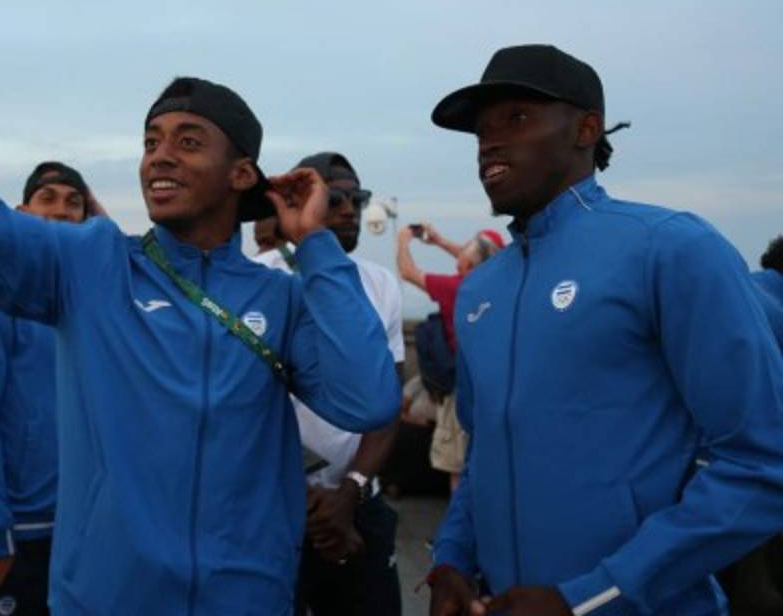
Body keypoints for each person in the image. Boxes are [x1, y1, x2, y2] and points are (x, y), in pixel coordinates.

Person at [0, 0, 399, 614]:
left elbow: (367, 399)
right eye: (151, 142)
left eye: (189, 142)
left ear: (241, 172)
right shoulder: (93, 262)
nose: (161, 156)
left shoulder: (281, 298)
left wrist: (316, 247)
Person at [425, 44, 783, 616]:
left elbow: (763, 464)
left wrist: (591, 597)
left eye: (516, 118)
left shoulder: (672, 247)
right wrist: (450, 562)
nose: (489, 142)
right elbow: (484, 455)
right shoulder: (481, 289)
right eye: (480, 132)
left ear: (586, 128)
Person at [255, 152, 405, 616]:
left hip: (359, 502)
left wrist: (350, 492)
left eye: (357, 199)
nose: (348, 210)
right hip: (275, 510)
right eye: (335, 198)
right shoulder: (261, 279)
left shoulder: (381, 284)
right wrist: (305, 501)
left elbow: (389, 398)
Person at [0, 161, 93, 616]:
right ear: (20, 212)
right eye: (48, 199)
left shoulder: (87, 299)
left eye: (75, 203)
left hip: (85, 520)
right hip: (24, 526)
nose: (62, 211)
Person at [395, 225, 502, 490]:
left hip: (459, 383)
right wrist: (441, 241)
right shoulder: (495, 283)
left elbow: (408, 272)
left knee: (456, 463)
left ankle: (461, 527)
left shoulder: (456, 288)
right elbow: (479, 257)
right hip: (490, 380)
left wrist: (403, 242)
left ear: (465, 261)